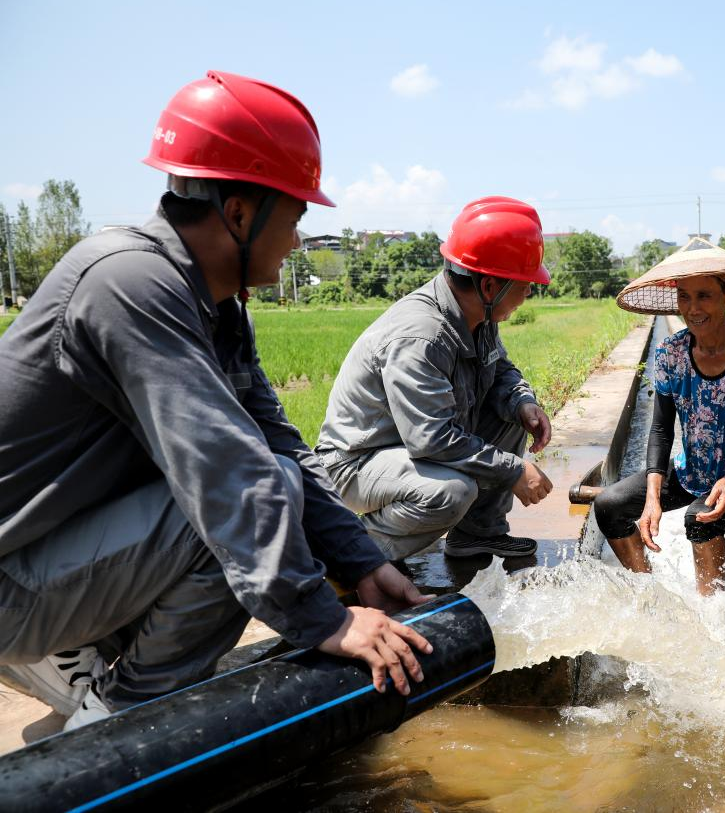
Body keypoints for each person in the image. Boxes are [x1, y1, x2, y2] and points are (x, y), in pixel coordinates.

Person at [0, 71, 431, 731]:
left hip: (48, 564)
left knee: (272, 487)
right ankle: (115, 724)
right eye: (296, 216)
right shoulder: (130, 282)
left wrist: (362, 560)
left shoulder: (218, 309)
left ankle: (83, 668)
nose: (295, 241)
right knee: (248, 509)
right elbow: (231, 472)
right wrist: (329, 620)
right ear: (238, 212)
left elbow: (282, 442)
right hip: (14, 583)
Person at [316, 197, 554, 563]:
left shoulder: (479, 317)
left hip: (412, 450)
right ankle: (352, 557)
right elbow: (433, 438)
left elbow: (501, 370)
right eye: (525, 284)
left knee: (509, 415)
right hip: (358, 461)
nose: (529, 293)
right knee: (452, 492)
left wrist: (523, 401)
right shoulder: (421, 337)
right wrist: (513, 469)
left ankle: (478, 535)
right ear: (490, 287)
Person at [592, 237, 725, 594]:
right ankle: (651, 597)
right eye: (684, 296)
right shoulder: (671, 353)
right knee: (609, 505)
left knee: (697, 519)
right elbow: (660, 430)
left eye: (704, 295)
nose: (692, 308)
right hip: (695, 470)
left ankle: (712, 613)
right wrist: (652, 496)